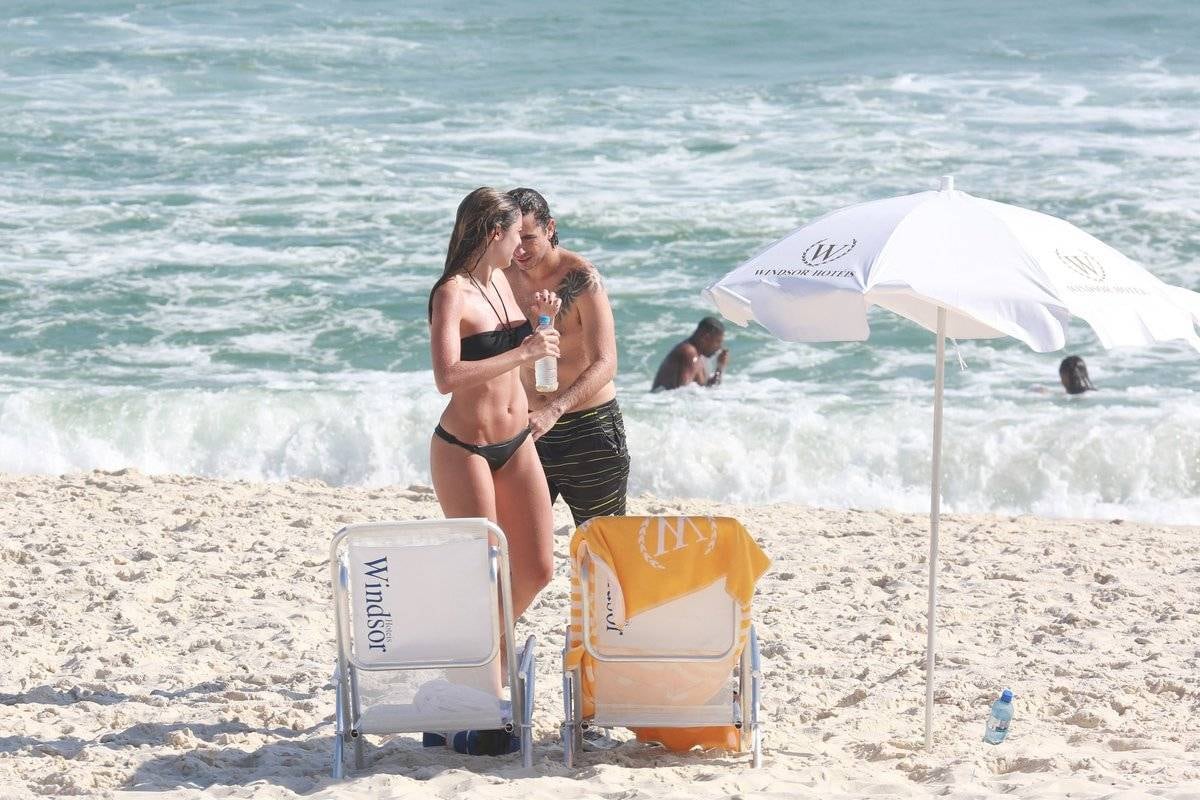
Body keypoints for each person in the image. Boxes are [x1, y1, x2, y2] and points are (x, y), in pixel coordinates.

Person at [427, 188, 560, 755]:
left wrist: (539, 327)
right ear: (491, 234)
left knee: (536, 567)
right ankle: (482, 704)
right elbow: (447, 375)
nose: (520, 245)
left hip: (516, 440)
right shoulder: (450, 293)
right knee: (484, 575)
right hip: (465, 447)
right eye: (514, 234)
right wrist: (523, 352)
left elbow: (520, 353)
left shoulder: (503, 283)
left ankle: (464, 680)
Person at [504, 187, 629, 526]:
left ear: (549, 227)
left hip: (588, 427)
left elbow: (606, 362)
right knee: (516, 540)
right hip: (527, 427)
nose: (519, 249)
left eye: (528, 237)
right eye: (513, 237)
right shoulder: (501, 276)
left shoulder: (581, 277)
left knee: (603, 546)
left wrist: (555, 409)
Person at [651, 316, 729, 391]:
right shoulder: (688, 353)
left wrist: (720, 368)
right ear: (706, 338)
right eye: (718, 342)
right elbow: (680, 395)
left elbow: (708, 388)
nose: (719, 348)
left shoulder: (699, 356)